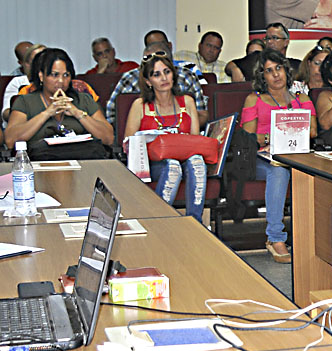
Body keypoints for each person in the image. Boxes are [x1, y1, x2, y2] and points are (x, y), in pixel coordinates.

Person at [241, 49, 318, 262]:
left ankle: (313, 237)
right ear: (262, 76)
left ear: (286, 71)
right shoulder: (253, 99)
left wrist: (288, 134)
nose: (276, 74)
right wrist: (274, 136)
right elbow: (248, 137)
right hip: (262, 159)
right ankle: (275, 238)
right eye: (269, 71)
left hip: (297, 154)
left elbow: (312, 132)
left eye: (279, 68)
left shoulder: (302, 98)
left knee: (316, 172)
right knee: (279, 170)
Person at [123, 52, 206, 223]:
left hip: (185, 157)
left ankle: (195, 223)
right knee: (173, 166)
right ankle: (160, 222)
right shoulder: (140, 106)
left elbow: (195, 141)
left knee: (197, 160)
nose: (164, 78)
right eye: (156, 74)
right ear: (148, 81)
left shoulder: (187, 102)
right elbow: (129, 145)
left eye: (167, 72)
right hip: (154, 163)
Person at [6, 48, 113, 157]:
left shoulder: (83, 100)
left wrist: (77, 113)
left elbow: (108, 138)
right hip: (42, 165)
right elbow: (10, 141)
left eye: (66, 75)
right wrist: (47, 113)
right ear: (41, 76)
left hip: (83, 162)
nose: (61, 81)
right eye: (55, 75)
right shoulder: (25, 101)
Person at [106, 40, 208, 127]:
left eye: (166, 71)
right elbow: (112, 114)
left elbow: (202, 114)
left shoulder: (186, 76)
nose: (163, 78)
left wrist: (179, 127)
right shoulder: (130, 78)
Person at [3, 44, 45, 127]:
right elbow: (5, 114)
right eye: (36, 61)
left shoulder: (59, 82)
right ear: (28, 64)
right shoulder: (19, 82)